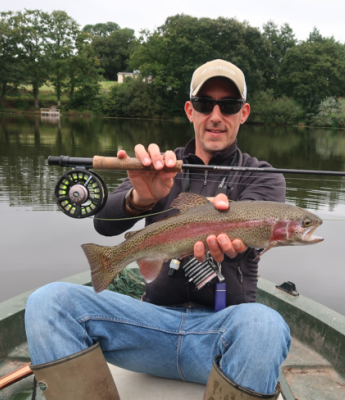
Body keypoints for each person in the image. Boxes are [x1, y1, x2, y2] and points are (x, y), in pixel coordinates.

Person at [25, 59, 290, 400]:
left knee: (266, 325)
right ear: (189, 110)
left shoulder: (263, 177)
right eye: (204, 104)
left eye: (229, 105)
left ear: (244, 113)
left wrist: (231, 224)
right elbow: (104, 224)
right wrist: (140, 198)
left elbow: (254, 236)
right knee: (47, 302)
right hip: (147, 327)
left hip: (220, 338)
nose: (215, 115)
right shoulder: (159, 166)